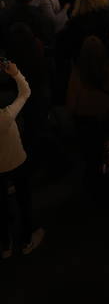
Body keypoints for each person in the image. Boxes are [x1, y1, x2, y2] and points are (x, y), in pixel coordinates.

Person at [0, 60, 43, 256]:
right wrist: (16, 73)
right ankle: (27, 239)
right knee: (24, 200)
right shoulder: (6, 116)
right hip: (17, 161)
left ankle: (5, 245)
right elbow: (25, 92)